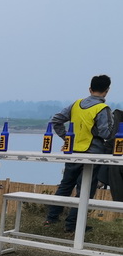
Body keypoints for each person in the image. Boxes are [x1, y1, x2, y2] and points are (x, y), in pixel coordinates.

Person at [44, 74, 114, 232]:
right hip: (92, 154)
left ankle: (51, 218)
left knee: (66, 185)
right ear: (107, 91)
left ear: (90, 89)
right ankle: (72, 224)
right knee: (85, 189)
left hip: (73, 151)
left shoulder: (76, 104)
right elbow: (105, 133)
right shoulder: (103, 109)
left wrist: (67, 139)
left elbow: (56, 120)